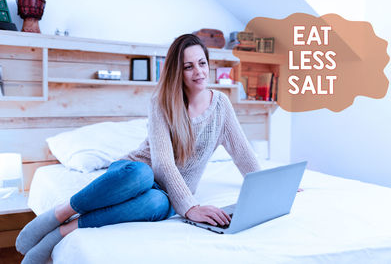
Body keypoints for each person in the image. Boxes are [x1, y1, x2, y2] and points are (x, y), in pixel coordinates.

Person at [15, 34, 261, 264]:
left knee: (155, 204)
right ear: (178, 72)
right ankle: (60, 212)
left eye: (202, 63)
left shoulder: (221, 105)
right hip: (131, 174)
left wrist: (268, 183)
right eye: (188, 66)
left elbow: (242, 152)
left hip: (168, 194)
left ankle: (65, 229)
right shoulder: (161, 103)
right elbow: (163, 163)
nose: (198, 71)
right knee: (143, 174)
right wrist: (192, 207)